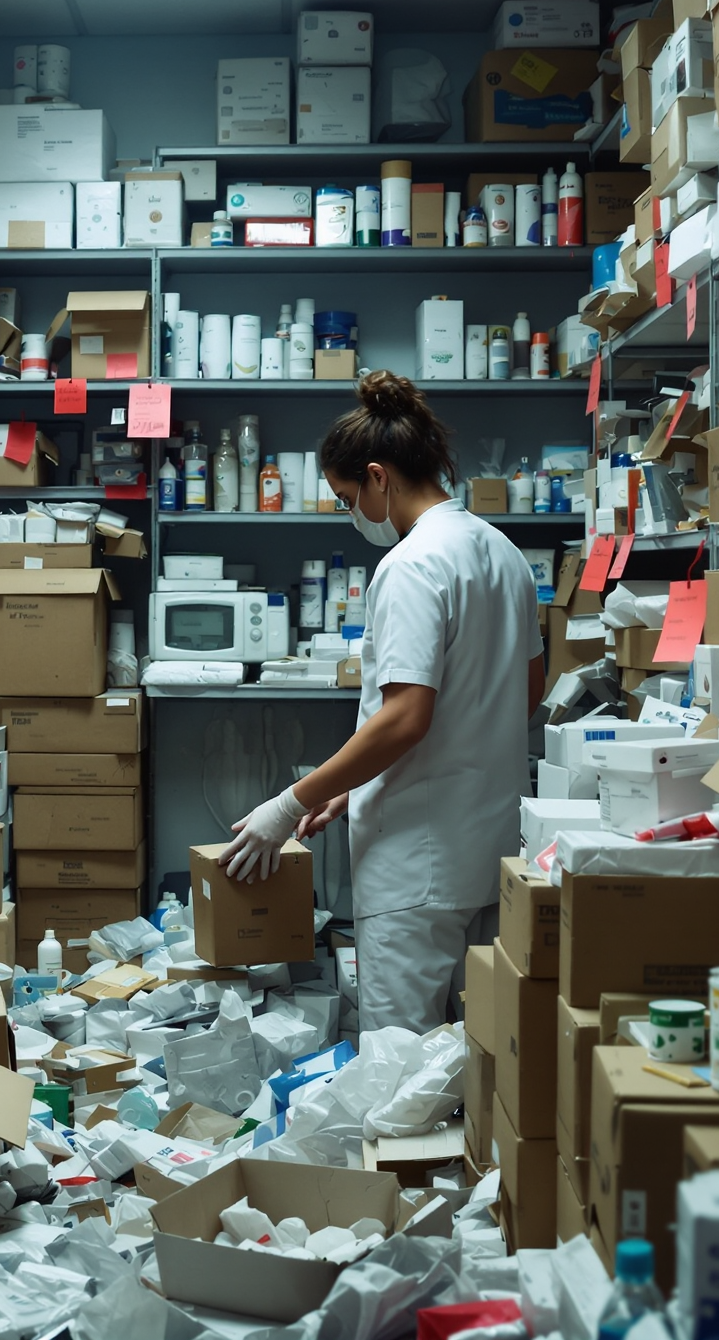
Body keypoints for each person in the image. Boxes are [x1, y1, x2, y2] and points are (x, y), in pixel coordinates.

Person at [221, 371, 542, 1032]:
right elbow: (524, 691)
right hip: (491, 851)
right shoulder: (503, 553)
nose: (349, 511)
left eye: (345, 497)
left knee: (401, 1074)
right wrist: (360, 783)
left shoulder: (411, 565)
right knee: (476, 1057)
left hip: (416, 866)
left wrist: (290, 804)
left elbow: (405, 717)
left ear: (378, 476)